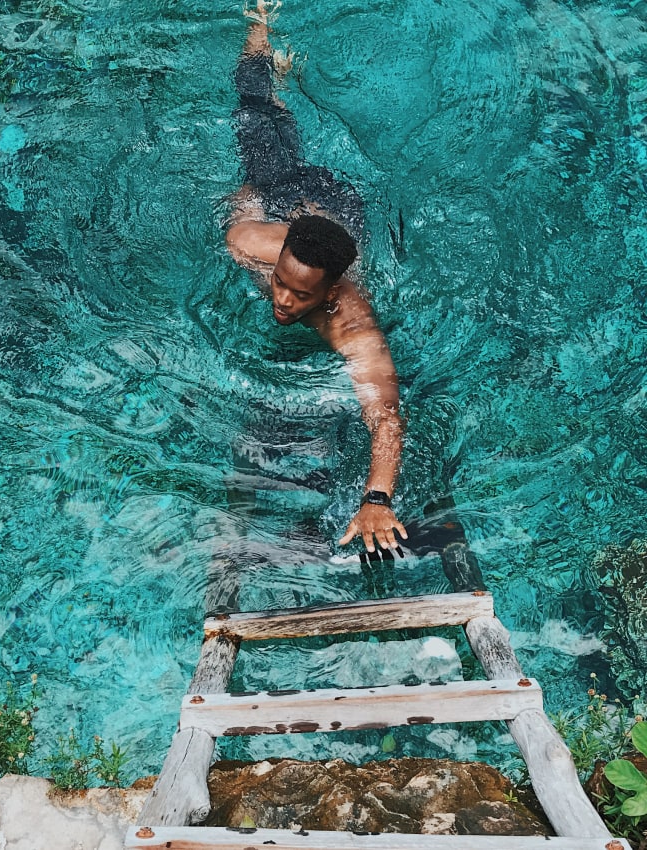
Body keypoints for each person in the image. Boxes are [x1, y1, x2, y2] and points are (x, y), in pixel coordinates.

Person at [224, 1, 407, 555]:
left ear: (329, 292)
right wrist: (249, 206)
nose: (280, 300)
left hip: (339, 210)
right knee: (253, 113)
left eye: (300, 294)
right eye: (279, 283)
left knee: (273, 138)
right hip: (287, 208)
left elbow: (386, 419)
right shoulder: (254, 248)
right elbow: (239, 219)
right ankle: (261, 23)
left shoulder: (351, 323)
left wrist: (377, 498)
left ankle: (283, 85)